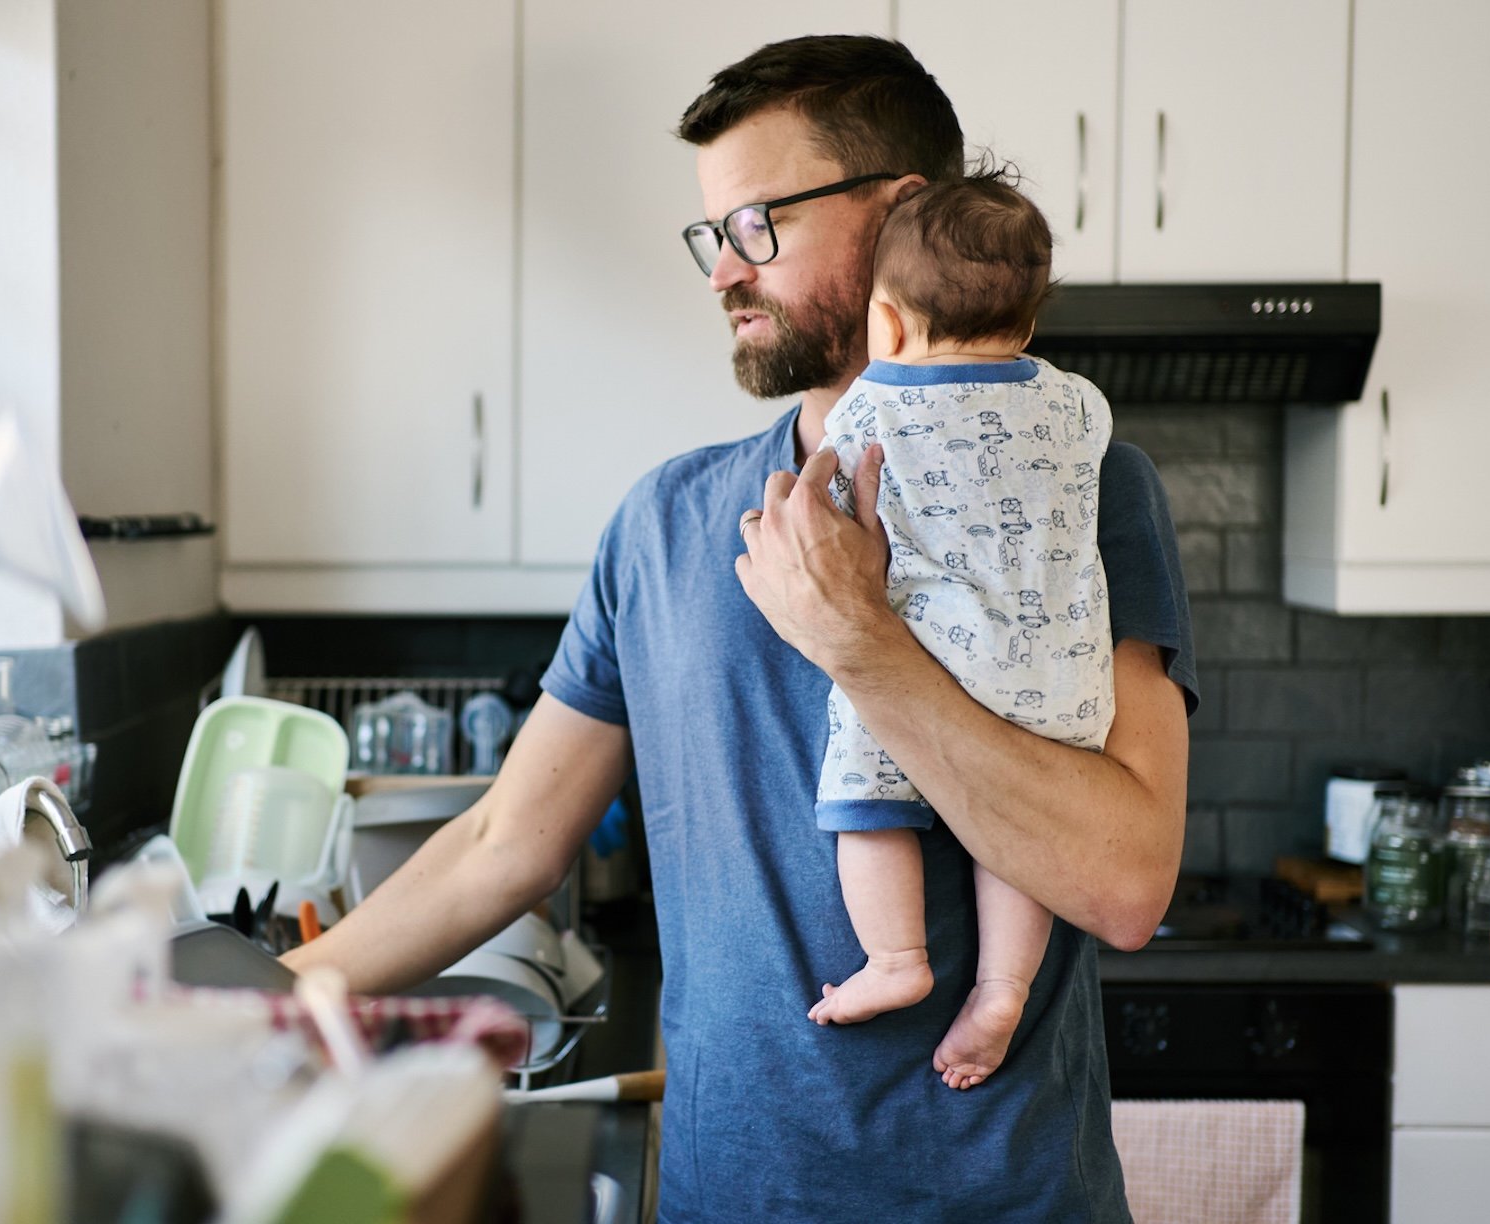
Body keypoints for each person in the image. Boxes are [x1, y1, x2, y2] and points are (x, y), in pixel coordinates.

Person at [285, 34, 1196, 1222]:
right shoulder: (665, 523)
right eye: (712, 235)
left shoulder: (1083, 486)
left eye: (759, 223)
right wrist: (266, 992)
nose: (723, 271)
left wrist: (863, 641)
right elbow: (507, 841)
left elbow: (1126, 884)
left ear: (899, 213)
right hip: (729, 1200)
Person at [802, 171, 1117, 1101]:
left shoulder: (869, 410)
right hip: (1059, 677)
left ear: (887, 325)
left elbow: (828, 516)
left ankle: (898, 957)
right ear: (1025, 324)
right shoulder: (1078, 406)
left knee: (863, 798)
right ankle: (1002, 985)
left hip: (924, 668)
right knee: (1013, 839)